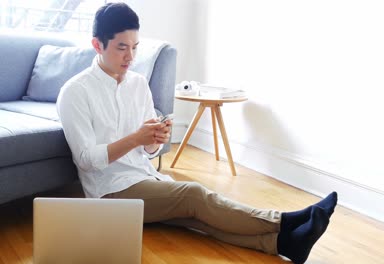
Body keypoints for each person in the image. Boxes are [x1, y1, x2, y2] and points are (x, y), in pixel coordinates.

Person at [56, 3, 338, 264]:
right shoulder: (75, 92)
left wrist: (156, 139)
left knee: (199, 218)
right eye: (121, 48)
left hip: (143, 176)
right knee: (192, 196)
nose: (130, 56)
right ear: (97, 45)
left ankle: (283, 243)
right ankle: (285, 221)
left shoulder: (138, 84)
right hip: (109, 192)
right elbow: (85, 159)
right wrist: (136, 138)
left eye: (135, 47)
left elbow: (148, 151)